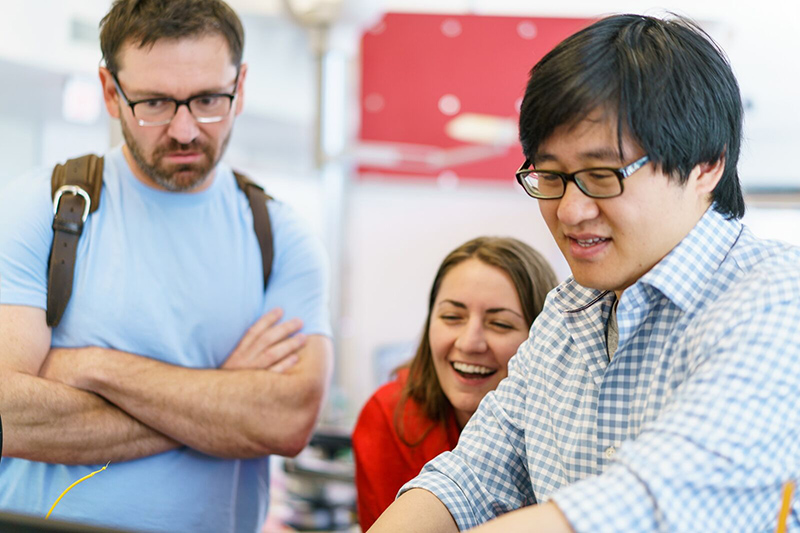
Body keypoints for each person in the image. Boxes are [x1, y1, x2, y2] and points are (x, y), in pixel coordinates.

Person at [369, 14, 800, 533]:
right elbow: (470, 478)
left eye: (602, 176)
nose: (571, 211)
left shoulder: (775, 300)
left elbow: (647, 503)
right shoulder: (568, 311)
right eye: (550, 176)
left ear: (705, 164)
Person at [0, 1, 333, 532]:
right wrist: (222, 398)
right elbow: (8, 414)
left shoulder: (282, 236)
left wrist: (93, 367)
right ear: (111, 92)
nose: (183, 130)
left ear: (240, 86)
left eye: (207, 100)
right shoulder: (42, 208)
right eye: (153, 102)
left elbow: (287, 419)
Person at [352, 237, 558, 530]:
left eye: (500, 324)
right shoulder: (389, 415)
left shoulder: (563, 428)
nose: (469, 342)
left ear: (542, 337)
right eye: (452, 317)